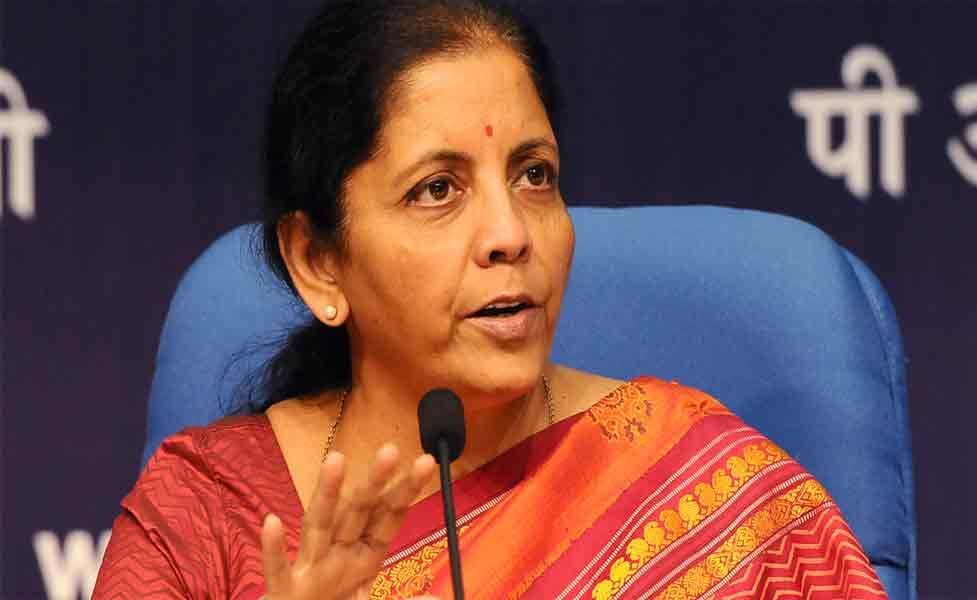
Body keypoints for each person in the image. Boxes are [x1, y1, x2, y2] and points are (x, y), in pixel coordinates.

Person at [93, 1, 888, 598]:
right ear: (318, 261)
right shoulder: (204, 519)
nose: (510, 234)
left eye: (534, 175)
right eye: (438, 189)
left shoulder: (705, 489)